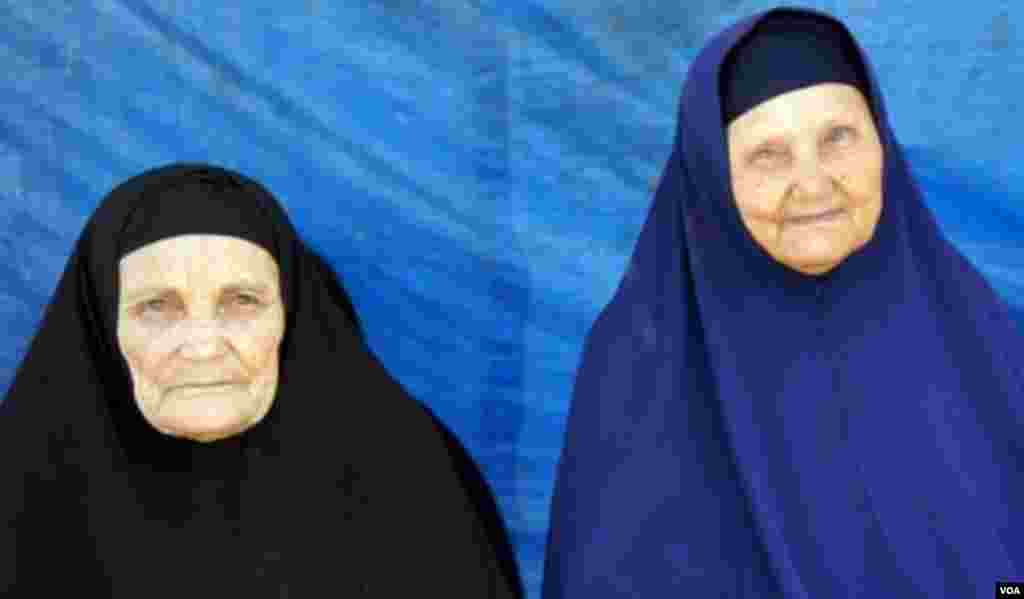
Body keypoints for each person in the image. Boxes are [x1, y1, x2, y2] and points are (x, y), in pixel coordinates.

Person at [543, 7, 1023, 598]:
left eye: (838, 138)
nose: (814, 184)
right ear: (714, 174)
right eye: (768, 155)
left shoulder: (973, 333)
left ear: (882, 145)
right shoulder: (640, 366)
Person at [1, 163, 519, 598]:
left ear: (289, 314)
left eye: (241, 302)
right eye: (157, 307)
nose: (202, 345)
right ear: (103, 320)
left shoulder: (411, 484)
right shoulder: (20, 491)